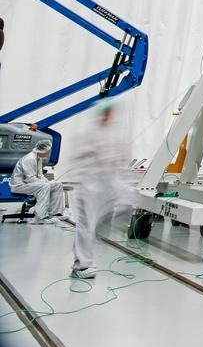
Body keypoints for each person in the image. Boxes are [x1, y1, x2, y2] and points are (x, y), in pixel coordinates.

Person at [69, 104, 131, 279]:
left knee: (95, 223)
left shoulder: (115, 133)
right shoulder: (87, 132)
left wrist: (119, 177)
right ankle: (82, 266)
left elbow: (122, 157)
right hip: (89, 183)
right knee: (86, 225)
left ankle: (87, 256)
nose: (110, 115)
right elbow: (79, 158)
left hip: (107, 182)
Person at [9, 139, 71, 224]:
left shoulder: (38, 158)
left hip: (29, 184)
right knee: (45, 186)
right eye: (48, 150)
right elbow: (30, 179)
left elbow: (40, 175)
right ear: (43, 150)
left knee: (57, 185)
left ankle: (55, 213)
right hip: (20, 186)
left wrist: (48, 181)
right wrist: (46, 184)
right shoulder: (29, 159)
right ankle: (39, 216)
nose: (48, 153)